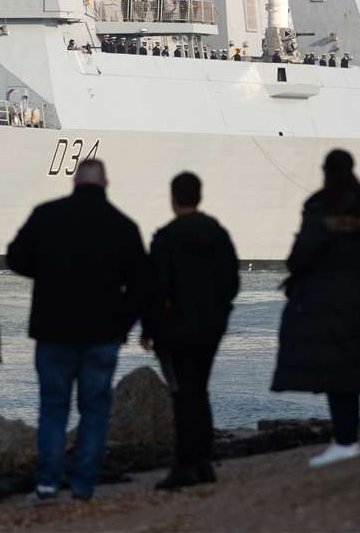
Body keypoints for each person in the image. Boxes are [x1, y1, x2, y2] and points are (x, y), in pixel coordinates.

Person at [6, 158, 149, 502]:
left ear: (73, 181)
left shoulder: (46, 215)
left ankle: (47, 484)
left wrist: (46, 272)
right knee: (95, 410)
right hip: (102, 335)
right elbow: (143, 286)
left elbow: (15, 258)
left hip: (53, 330)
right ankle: (84, 486)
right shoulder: (123, 226)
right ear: (106, 183)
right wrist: (122, 325)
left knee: (53, 408)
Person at [270, 149, 360, 468]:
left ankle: (344, 440)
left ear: (326, 171)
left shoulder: (321, 206)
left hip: (328, 299)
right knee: (352, 369)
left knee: (335, 372)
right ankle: (349, 438)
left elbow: (302, 255)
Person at [141, 172, 239, 490]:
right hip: (210, 329)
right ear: (200, 196)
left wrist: (148, 329)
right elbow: (231, 283)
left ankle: (185, 465)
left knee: (183, 395)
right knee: (201, 391)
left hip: (176, 331)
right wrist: (218, 312)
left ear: (173, 198)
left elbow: (155, 289)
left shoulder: (166, 238)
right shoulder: (218, 233)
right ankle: (203, 461)